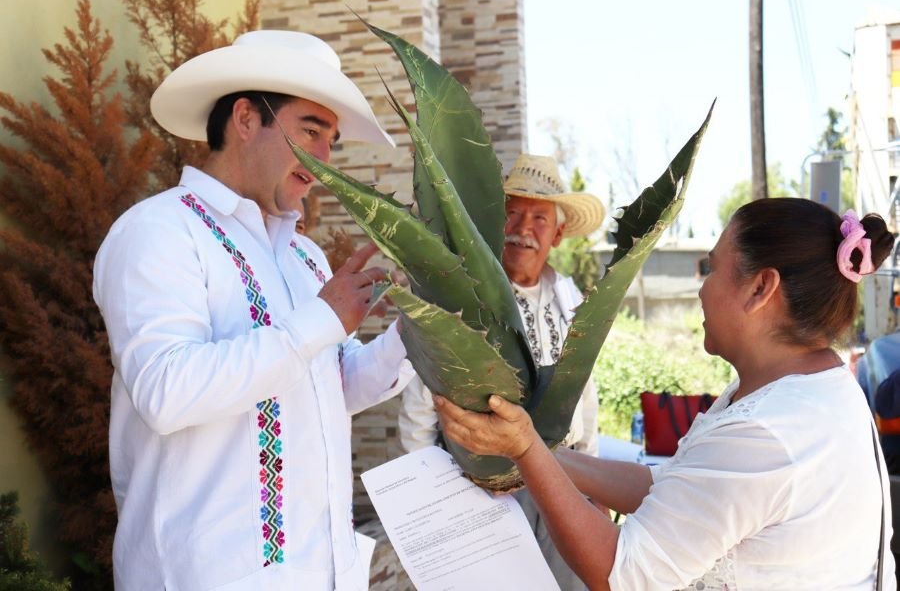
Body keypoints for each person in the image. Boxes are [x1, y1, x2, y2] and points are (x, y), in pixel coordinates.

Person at [435, 198, 897, 590]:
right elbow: (677, 489)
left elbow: (622, 572)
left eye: (711, 269)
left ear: (760, 288)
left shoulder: (767, 432)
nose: (701, 289)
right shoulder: (809, 387)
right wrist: (534, 454)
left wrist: (526, 449)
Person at [93, 30, 413, 590]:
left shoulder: (305, 257)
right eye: (311, 131)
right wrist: (320, 321)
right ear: (245, 118)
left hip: (322, 573)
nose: (324, 161)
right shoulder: (158, 232)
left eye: (332, 140)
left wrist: (422, 328)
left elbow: (333, 386)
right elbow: (166, 392)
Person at [399, 154, 606, 590]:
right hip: (478, 490)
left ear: (559, 231)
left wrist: (593, 488)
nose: (522, 228)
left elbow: (584, 394)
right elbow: (422, 400)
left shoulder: (571, 300)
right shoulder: (463, 296)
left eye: (538, 217)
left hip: (562, 483)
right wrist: (429, 495)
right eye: (512, 212)